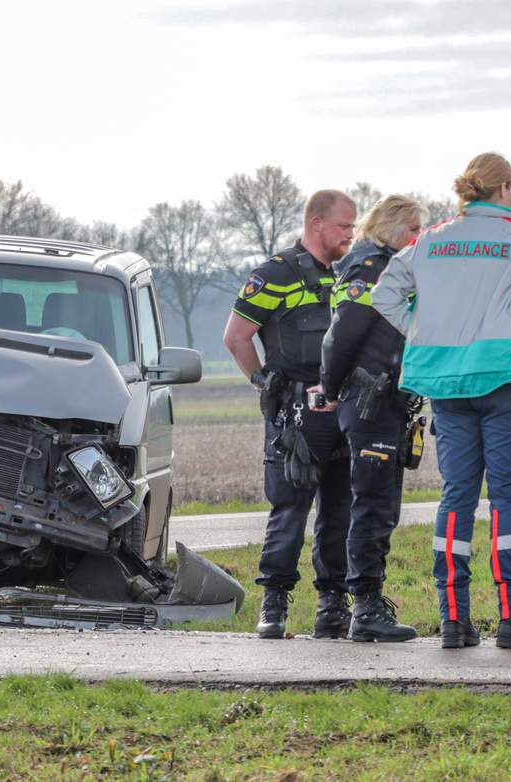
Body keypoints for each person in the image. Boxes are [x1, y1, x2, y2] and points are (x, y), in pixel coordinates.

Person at [372, 153, 511, 649]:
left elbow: (385, 294)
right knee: (508, 498)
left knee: (456, 498)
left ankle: (454, 619)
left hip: (446, 386)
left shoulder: (431, 240)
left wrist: (421, 332)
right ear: (504, 188)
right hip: (504, 378)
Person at [222, 189, 358, 640]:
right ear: (317, 224)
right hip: (295, 414)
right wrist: (264, 384)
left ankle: (332, 606)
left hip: (342, 409)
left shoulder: (347, 276)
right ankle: (274, 603)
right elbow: (236, 336)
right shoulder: (274, 274)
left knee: (340, 511)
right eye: (344, 226)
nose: (350, 235)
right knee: (290, 509)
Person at [318, 195, 427, 642]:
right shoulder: (371, 267)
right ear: (394, 228)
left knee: (376, 506)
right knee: (373, 507)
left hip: (386, 402)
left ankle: (355, 606)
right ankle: (365, 608)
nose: (419, 237)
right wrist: (329, 387)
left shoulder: (384, 263)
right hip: (371, 400)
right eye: (414, 228)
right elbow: (341, 335)